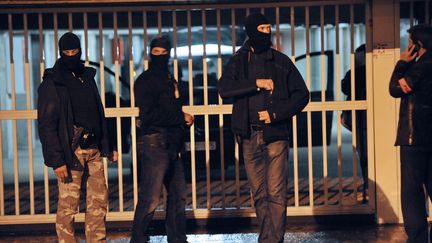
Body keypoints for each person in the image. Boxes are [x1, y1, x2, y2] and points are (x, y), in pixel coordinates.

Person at [218, 13, 309, 243]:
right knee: (259, 193)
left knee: (276, 192)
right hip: (248, 135)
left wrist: (275, 114)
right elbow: (224, 89)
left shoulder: (280, 61)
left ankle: (272, 240)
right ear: (250, 30)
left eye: (269, 27)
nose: (266, 32)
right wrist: (255, 84)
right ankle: (268, 237)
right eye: (261, 28)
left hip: (275, 134)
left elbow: (302, 95)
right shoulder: (239, 61)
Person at [37, 32, 118, 242]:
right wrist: (57, 161)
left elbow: (98, 113)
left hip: (94, 149)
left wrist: (108, 146)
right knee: (68, 208)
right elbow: (46, 125)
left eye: (75, 51)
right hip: (71, 152)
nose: (71, 55)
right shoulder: (53, 82)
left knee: (98, 203)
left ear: (81, 51)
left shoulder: (86, 77)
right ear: (60, 53)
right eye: (67, 52)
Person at [130, 35, 193, 243]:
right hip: (156, 142)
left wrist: (179, 120)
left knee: (177, 195)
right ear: (150, 53)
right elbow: (148, 116)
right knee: (151, 197)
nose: (159, 56)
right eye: (156, 52)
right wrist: (180, 117)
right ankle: (139, 238)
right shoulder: (146, 81)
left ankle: (177, 238)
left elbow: (168, 108)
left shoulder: (168, 78)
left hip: (172, 143)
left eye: (163, 52)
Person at [389, 24, 432, 243]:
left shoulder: (420, 66)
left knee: (412, 193)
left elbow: (395, 88)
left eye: (409, 41)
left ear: (418, 44)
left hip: (415, 139)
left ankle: (418, 238)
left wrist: (402, 63)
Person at [341, 44, 368, 202]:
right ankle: (370, 187)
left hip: (359, 120)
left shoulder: (354, 73)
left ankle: (368, 186)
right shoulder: (375, 71)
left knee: (364, 154)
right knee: (368, 154)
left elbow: (345, 88)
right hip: (364, 119)